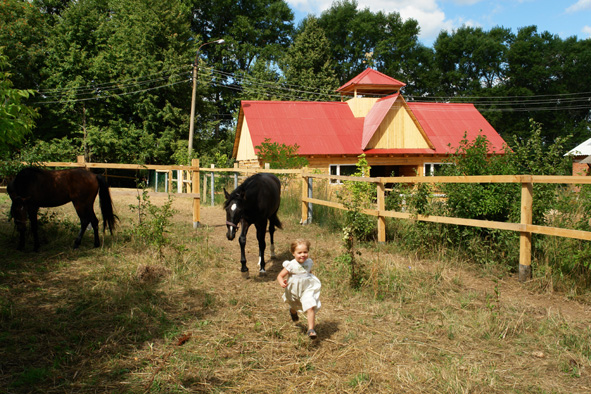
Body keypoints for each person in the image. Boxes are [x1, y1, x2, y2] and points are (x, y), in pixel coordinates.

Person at [277, 238, 321, 339]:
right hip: (293, 290)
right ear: (293, 253)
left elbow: (308, 272)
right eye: (299, 252)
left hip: (307, 288)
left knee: (310, 306)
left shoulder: (309, 262)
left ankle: (311, 329)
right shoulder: (291, 265)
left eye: (305, 252)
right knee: (294, 305)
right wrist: (281, 282)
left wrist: (311, 278)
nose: (302, 255)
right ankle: (293, 312)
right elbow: (280, 276)